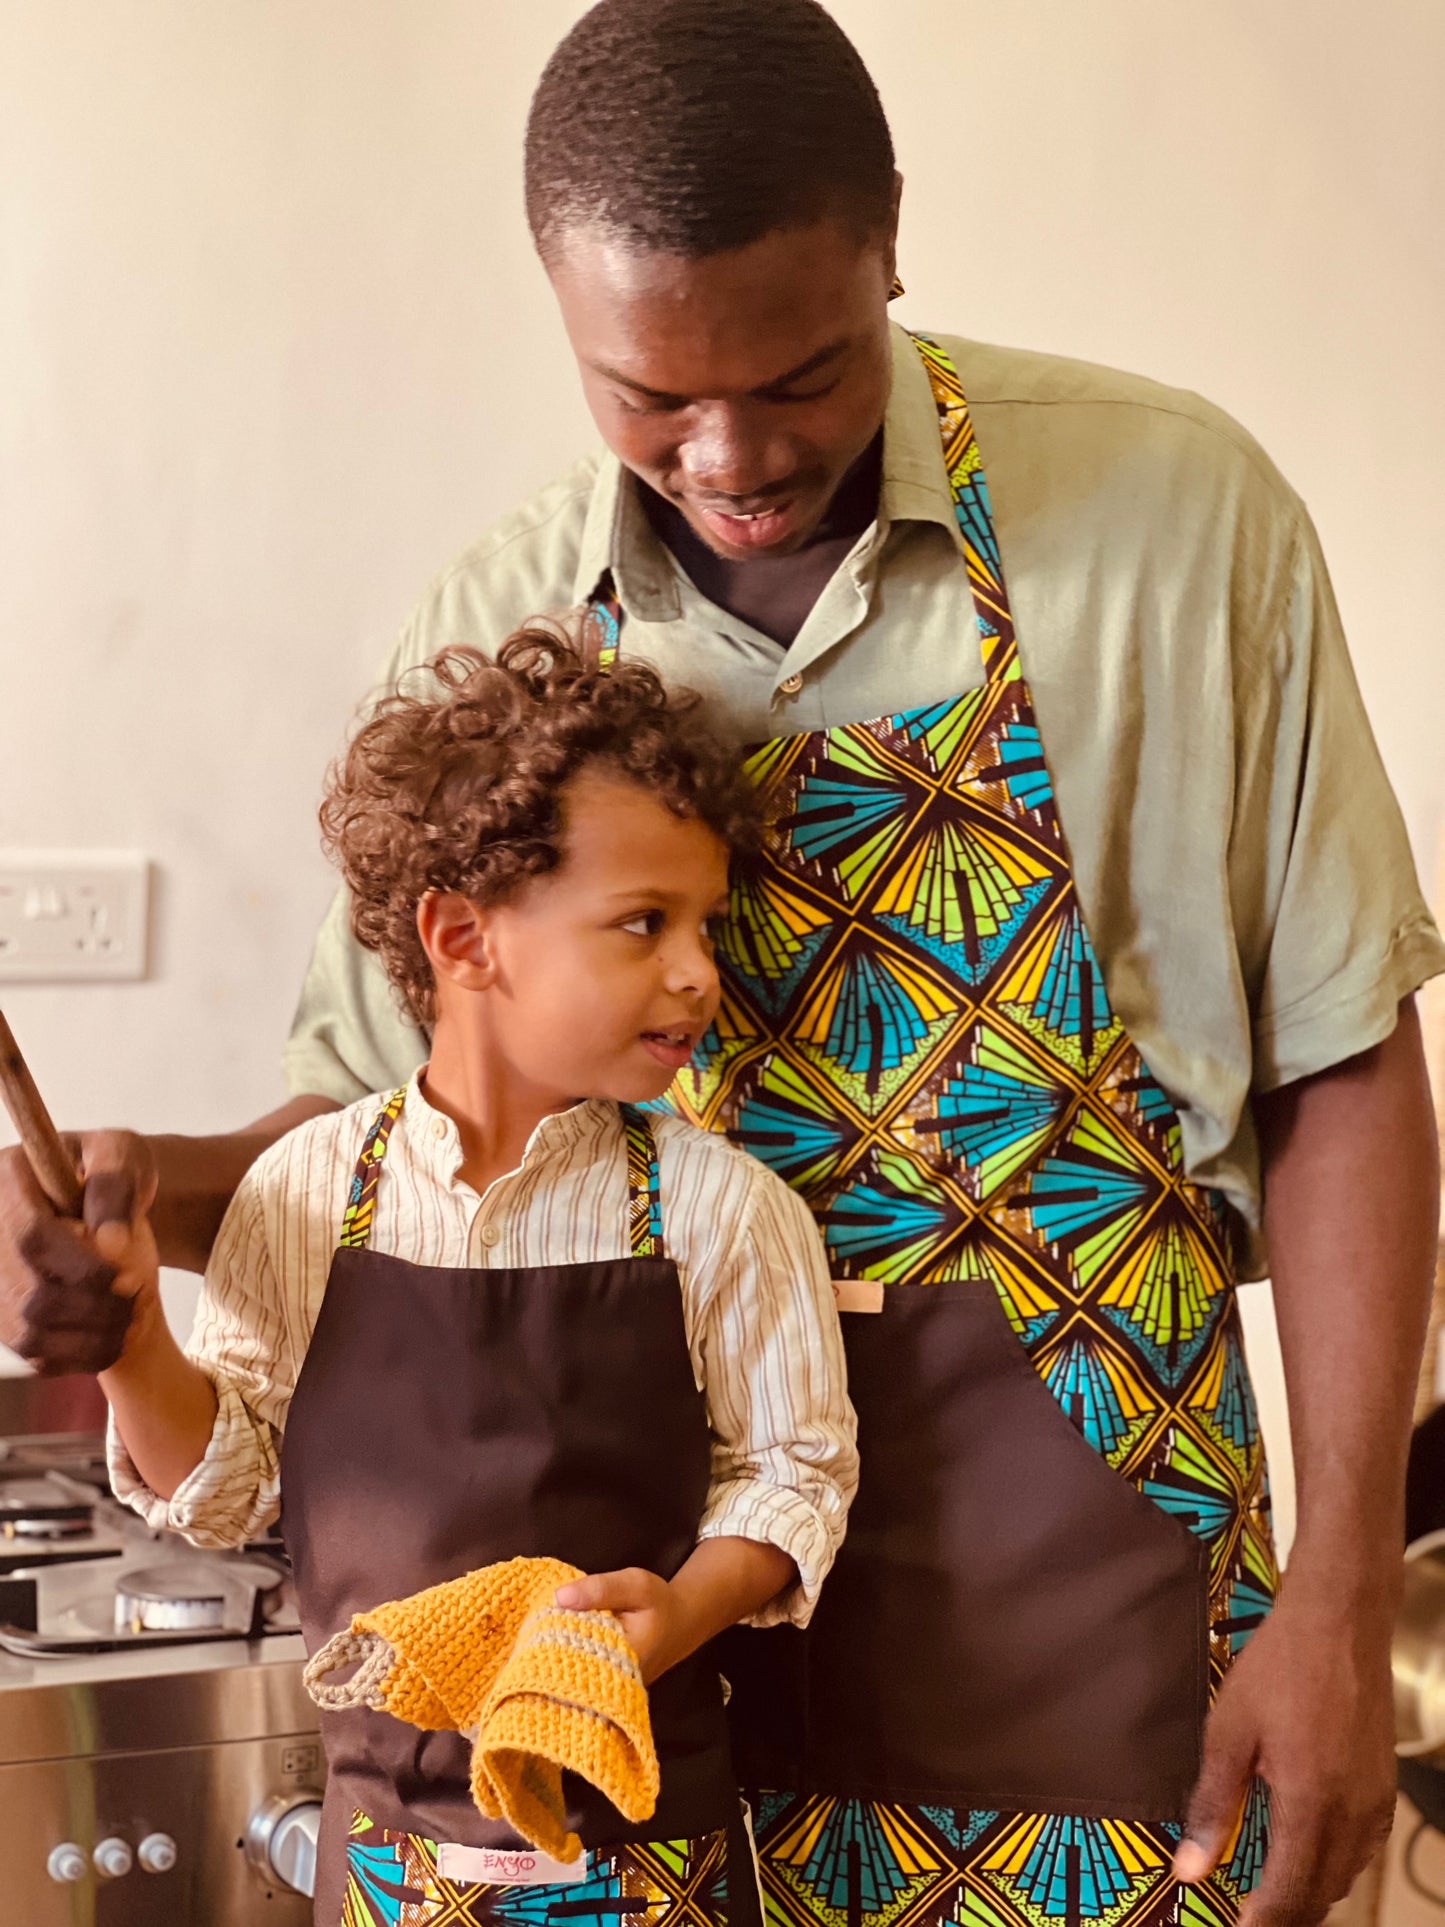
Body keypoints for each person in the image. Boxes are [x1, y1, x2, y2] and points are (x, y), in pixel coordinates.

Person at [4, 1, 1442, 1920]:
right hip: (636, 1672)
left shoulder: (1174, 526)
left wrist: (1340, 1604)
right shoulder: (501, 616)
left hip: (1078, 1594)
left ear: (890, 245)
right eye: (646, 397)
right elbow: (380, 1146)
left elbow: (1339, 1065)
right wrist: (128, 1203)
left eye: (803, 373)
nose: (732, 455)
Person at [92, 633, 858, 1925]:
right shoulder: (305, 1193)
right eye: (642, 923)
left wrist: (674, 1614)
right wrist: (128, 1349)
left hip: (644, 1835)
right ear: (461, 938)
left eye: (705, 925)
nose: (697, 973)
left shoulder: (720, 1209)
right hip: (389, 1841)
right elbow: (226, 1492)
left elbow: (794, 1474)